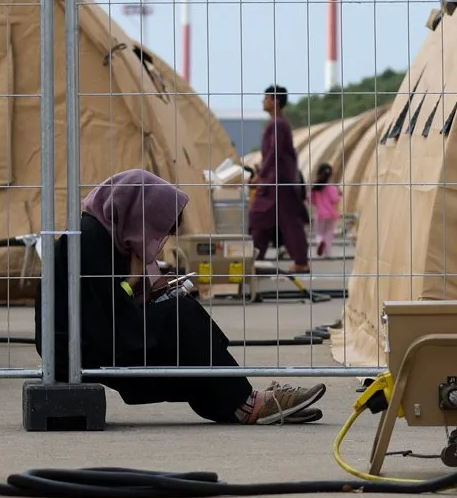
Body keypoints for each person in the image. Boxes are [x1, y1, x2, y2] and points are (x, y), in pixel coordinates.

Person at [41, 169, 323, 424]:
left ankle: (236, 402)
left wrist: (148, 293)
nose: (152, 237)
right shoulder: (89, 240)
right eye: (152, 227)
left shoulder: (102, 236)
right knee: (180, 317)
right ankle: (245, 403)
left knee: (180, 315)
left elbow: (107, 306)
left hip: (96, 335)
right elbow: (105, 312)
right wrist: (136, 282)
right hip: (75, 349)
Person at [248, 84, 310, 270]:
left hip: (278, 183)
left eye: (266, 98)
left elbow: (275, 151)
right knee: (261, 220)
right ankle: (253, 261)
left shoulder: (277, 124)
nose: (263, 101)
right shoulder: (278, 123)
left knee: (284, 221)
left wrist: (261, 174)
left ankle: (300, 262)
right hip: (277, 181)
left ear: (275, 101)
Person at [309, 162, 342, 258]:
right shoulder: (332, 187)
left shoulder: (315, 188)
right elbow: (334, 199)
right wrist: (339, 195)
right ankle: (328, 253)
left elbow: (311, 199)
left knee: (319, 232)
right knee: (329, 233)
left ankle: (320, 242)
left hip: (320, 215)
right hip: (331, 215)